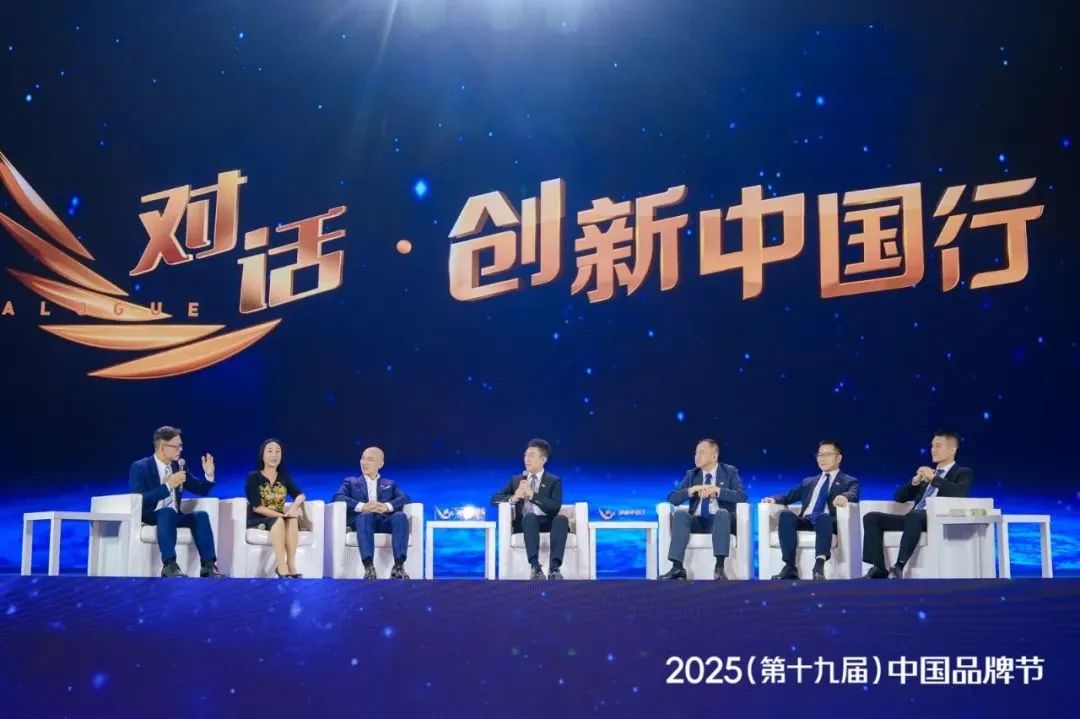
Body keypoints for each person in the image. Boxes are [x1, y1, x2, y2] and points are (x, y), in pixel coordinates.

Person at [862, 431, 974, 578]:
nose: (933, 450)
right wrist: (915, 481)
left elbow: (959, 492)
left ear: (952, 450)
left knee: (914, 515)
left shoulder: (963, 472)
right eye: (932, 446)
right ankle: (879, 567)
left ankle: (899, 566)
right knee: (871, 517)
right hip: (913, 519)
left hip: (935, 518)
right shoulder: (928, 473)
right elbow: (899, 497)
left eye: (938, 446)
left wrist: (933, 478)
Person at [128, 425, 224, 577]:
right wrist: (167, 486)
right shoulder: (140, 467)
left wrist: (209, 475)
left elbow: (200, 489)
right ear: (162, 447)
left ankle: (208, 566)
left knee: (200, 516)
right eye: (177, 446)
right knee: (167, 512)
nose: (180, 450)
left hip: (173, 516)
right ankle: (169, 565)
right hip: (151, 516)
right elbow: (139, 500)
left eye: (181, 446)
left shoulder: (179, 466)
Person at [763, 440, 860, 580]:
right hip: (807, 520)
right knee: (786, 515)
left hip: (827, 522)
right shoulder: (809, 481)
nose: (822, 459)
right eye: (820, 455)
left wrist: (844, 496)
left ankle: (819, 566)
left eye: (827, 454)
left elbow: (854, 494)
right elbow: (788, 496)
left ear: (838, 458)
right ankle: (790, 567)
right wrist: (774, 499)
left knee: (823, 517)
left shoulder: (849, 481)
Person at [659, 438, 747, 580]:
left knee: (722, 513)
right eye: (696, 453)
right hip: (698, 521)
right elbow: (672, 498)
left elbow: (742, 496)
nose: (697, 457)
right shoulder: (692, 475)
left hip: (721, 521)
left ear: (714, 456)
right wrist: (692, 490)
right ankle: (677, 568)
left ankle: (719, 568)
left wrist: (717, 491)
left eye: (701, 453)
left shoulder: (730, 472)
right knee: (680, 514)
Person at [490, 438, 568, 580]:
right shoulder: (516, 480)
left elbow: (555, 507)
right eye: (526, 455)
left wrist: (532, 496)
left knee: (561, 519)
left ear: (543, 459)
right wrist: (514, 497)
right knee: (530, 517)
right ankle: (535, 567)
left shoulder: (554, 481)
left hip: (547, 522)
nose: (527, 459)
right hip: (525, 523)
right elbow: (494, 499)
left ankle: (554, 568)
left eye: (531, 455)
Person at [332, 447, 411, 579]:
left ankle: (398, 567)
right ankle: (369, 567)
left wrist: (386, 506)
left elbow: (405, 498)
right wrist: (363, 506)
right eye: (362, 459)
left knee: (400, 516)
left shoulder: (390, 484)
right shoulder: (351, 482)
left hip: (384, 520)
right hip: (362, 521)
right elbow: (338, 497)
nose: (364, 462)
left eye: (369, 459)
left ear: (380, 464)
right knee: (366, 516)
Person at [245, 439, 307, 578]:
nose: (274, 455)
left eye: (277, 452)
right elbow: (257, 508)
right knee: (279, 520)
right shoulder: (253, 477)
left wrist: (293, 508)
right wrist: (281, 515)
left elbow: (301, 495)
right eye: (270, 451)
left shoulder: (284, 478)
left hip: (277, 517)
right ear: (262, 455)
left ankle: (291, 565)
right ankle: (281, 566)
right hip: (258, 518)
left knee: (292, 519)